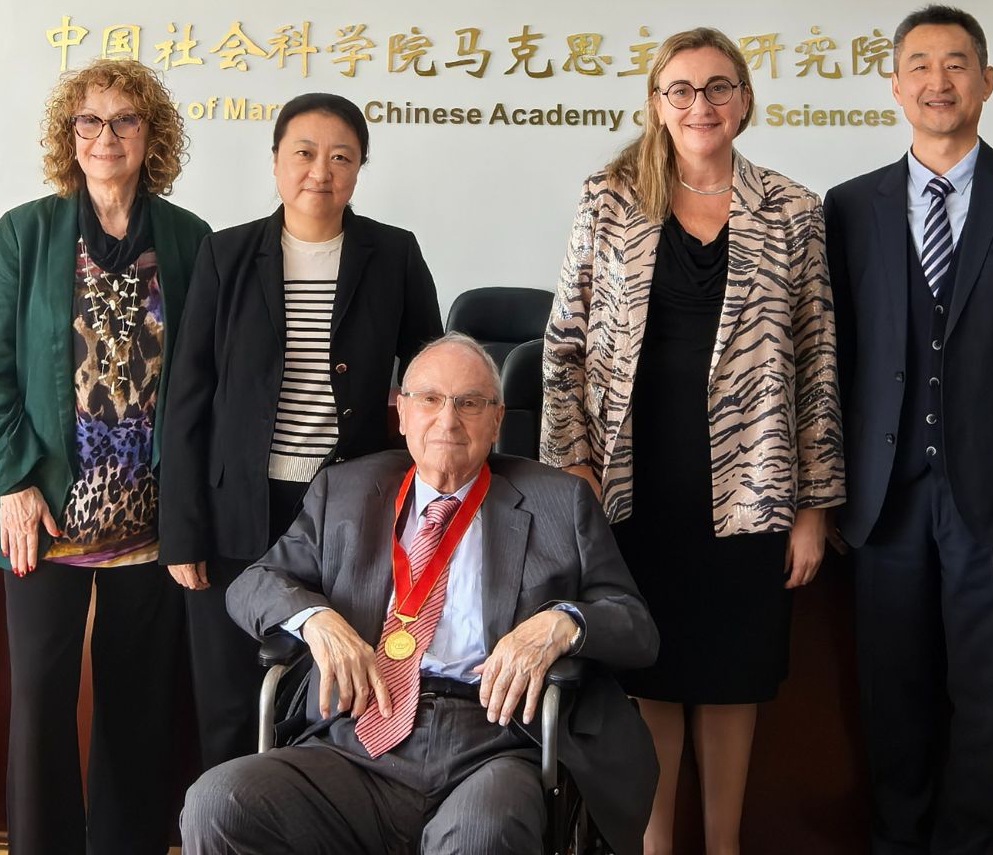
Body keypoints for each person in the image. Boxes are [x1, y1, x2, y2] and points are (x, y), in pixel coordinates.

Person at [178, 333, 660, 855]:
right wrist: (316, 618)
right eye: (430, 399)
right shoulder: (344, 491)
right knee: (217, 802)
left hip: (492, 741)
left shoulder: (559, 502)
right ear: (402, 412)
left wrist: (562, 622)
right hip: (355, 734)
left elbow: (634, 625)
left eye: (469, 403)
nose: (448, 420)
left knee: (483, 834)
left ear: (497, 419)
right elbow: (252, 585)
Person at [542, 26, 843, 855]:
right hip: (632, 483)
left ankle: (724, 845)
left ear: (744, 101)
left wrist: (814, 507)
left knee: (732, 677)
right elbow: (563, 342)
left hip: (751, 485)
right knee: (650, 677)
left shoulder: (791, 209)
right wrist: (571, 468)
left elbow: (819, 363)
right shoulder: (608, 198)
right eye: (680, 88)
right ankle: (655, 846)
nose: (699, 104)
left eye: (717, 87)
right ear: (655, 104)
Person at [822, 4, 993, 854]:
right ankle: (899, 839)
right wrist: (825, 491)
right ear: (894, 84)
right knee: (891, 689)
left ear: (987, 80)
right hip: (882, 494)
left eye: (958, 63)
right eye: (922, 65)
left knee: (990, 691)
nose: (940, 81)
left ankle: (970, 843)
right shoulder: (850, 206)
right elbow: (835, 362)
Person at [0, 59, 211, 854]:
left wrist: (187, 514)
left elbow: (200, 383)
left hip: (148, 517)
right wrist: (10, 479)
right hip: (42, 509)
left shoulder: (188, 239)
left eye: (125, 121)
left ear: (152, 136)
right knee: (40, 699)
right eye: (89, 122)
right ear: (68, 136)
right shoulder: (26, 231)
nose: (105, 137)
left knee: (138, 702)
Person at [159, 91, 442, 770]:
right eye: (305, 153)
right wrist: (183, 530)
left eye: (341, 157)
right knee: (229, 699)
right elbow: (188, 398)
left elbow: (433, 381)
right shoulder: (226, 255)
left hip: (352, 516)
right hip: (239, 512)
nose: (322, 170)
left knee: (339, 693)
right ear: (277, 162)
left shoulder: (393, 255)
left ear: (360, 168)